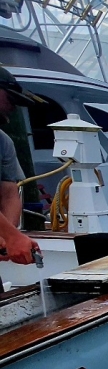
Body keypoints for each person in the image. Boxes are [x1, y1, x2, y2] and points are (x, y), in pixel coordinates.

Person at [0, 67, 41, 264]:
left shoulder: (4, 142)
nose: (13, 108)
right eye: (10, 98)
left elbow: (9, 193)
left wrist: (6, 236)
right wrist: (12, 237)